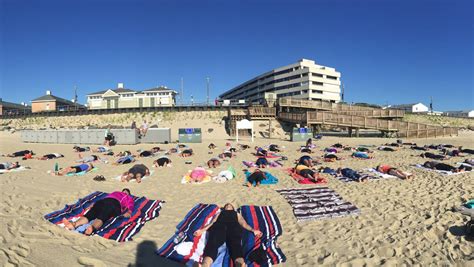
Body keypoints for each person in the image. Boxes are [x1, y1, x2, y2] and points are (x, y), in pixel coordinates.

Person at [193, 203, 262, 267]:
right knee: (212, 243)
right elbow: (212, 223)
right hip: (219, 226)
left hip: (234, 227)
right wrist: (202, 230)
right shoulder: (220, 213)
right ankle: (205, 265)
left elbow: (244, 224)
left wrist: (253, 230)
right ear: (224, 208)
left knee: (235, 244)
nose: (228, 205)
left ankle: (240, 264)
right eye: (226, 205)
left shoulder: (236, 213)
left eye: (230, 205)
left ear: (233, 208)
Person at [62, 188, 134, 235]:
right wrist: (93, 204)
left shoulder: (128, 197)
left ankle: (92, 228)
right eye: (124, 190)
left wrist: (129, 212)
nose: (124, 192)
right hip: (103, 201)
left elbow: (130, 206)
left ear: (128, 193)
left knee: (103, 215)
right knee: (90, 214)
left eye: (126, 191)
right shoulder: (115, 192)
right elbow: (106, 197)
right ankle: (74, 224)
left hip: (115, 204)